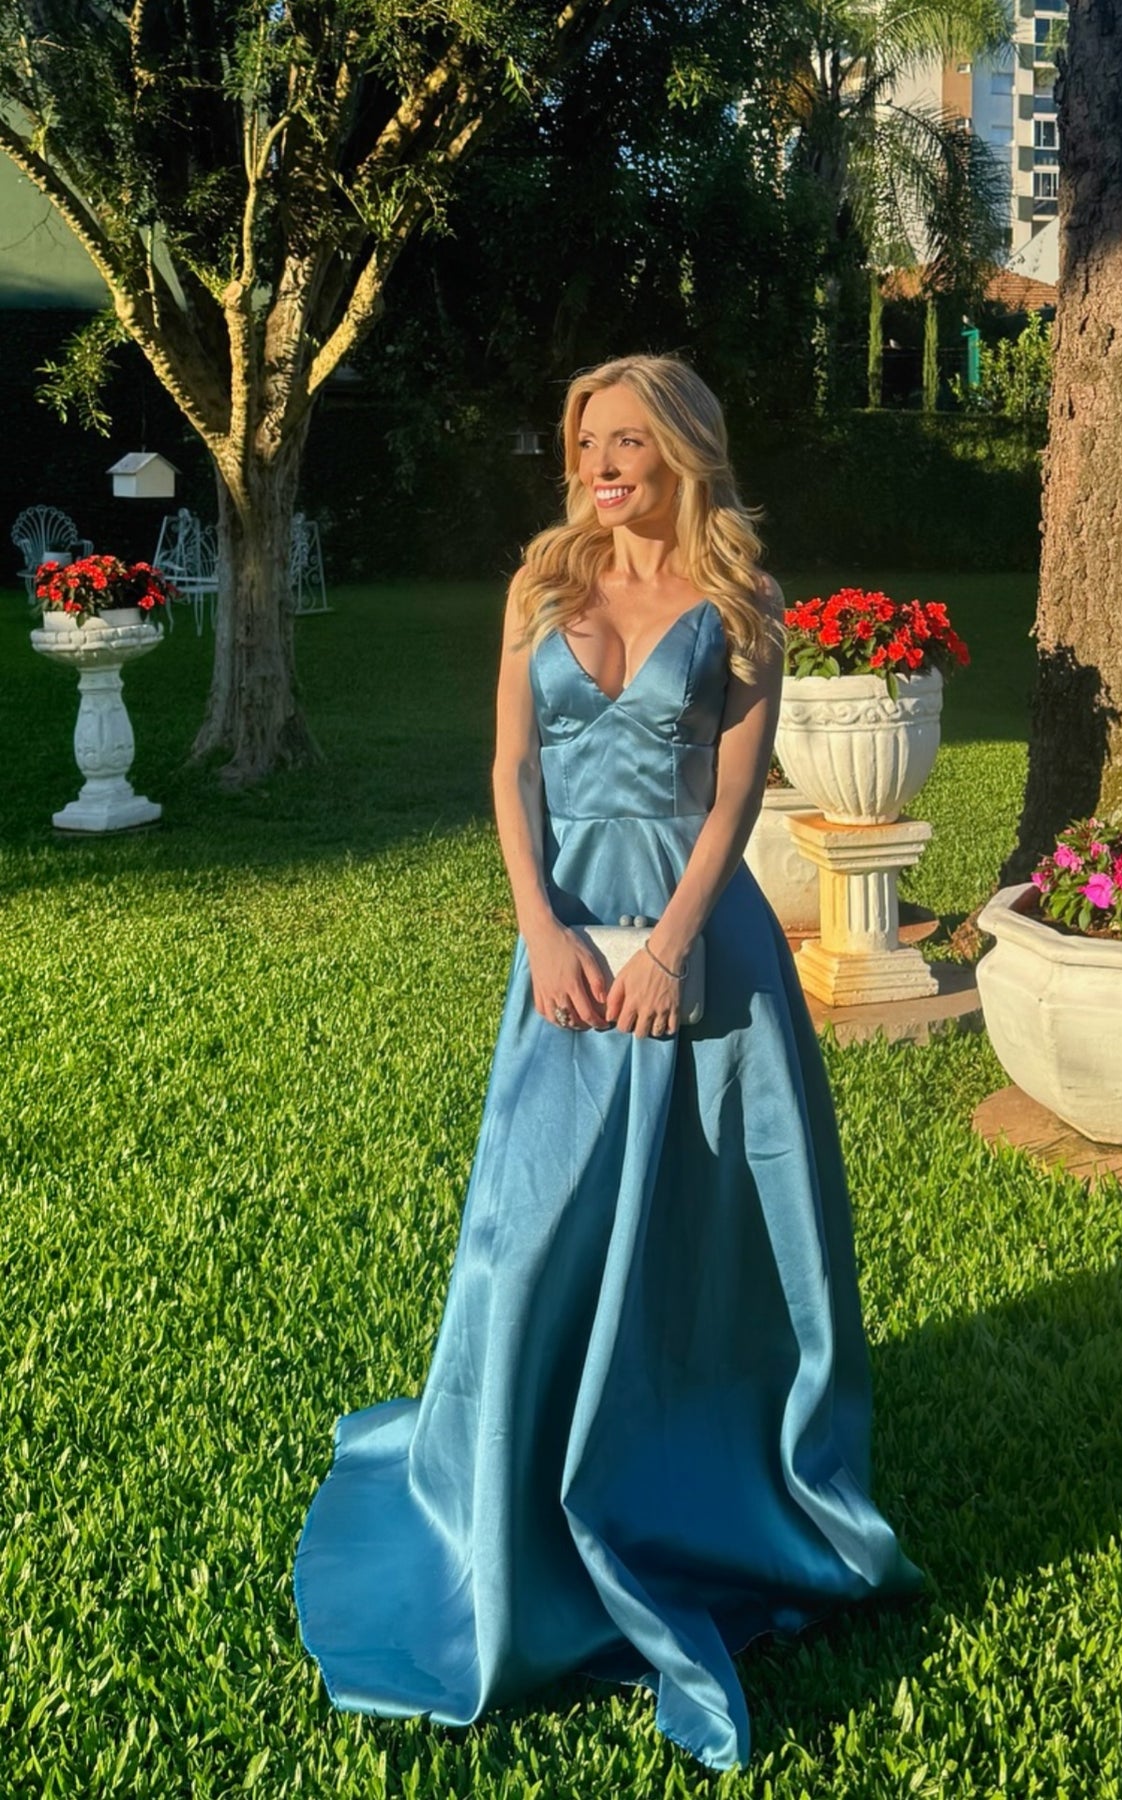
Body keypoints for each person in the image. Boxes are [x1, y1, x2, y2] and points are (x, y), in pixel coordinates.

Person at [293, 354, 920, 1770]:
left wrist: (673, 950)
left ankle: (703, 1476)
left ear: (682, 448)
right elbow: (512, 772)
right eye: (587, 441)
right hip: (566, 945)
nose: (601, 464)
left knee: (703, 1242)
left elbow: (735, 799)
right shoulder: (541, 587)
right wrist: (542, 930)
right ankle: (513, 1487)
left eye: (628, 440)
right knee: (532, 1232)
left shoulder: (743, 604)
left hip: (704, 956)